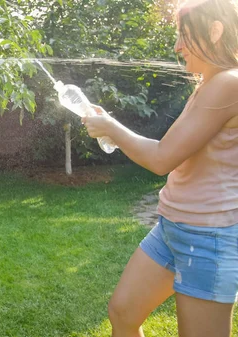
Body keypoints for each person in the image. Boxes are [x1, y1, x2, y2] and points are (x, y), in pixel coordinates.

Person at [82, 0, 238, 336]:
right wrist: (111, 126)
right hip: (172, 227)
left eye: (184, 35)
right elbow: (173, 153)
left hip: (207, 237)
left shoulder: (230, 83)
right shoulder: (207, 84)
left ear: (214, 31)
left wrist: (110, 126)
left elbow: (161, 158)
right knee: (123, 313)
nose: (177, 46)